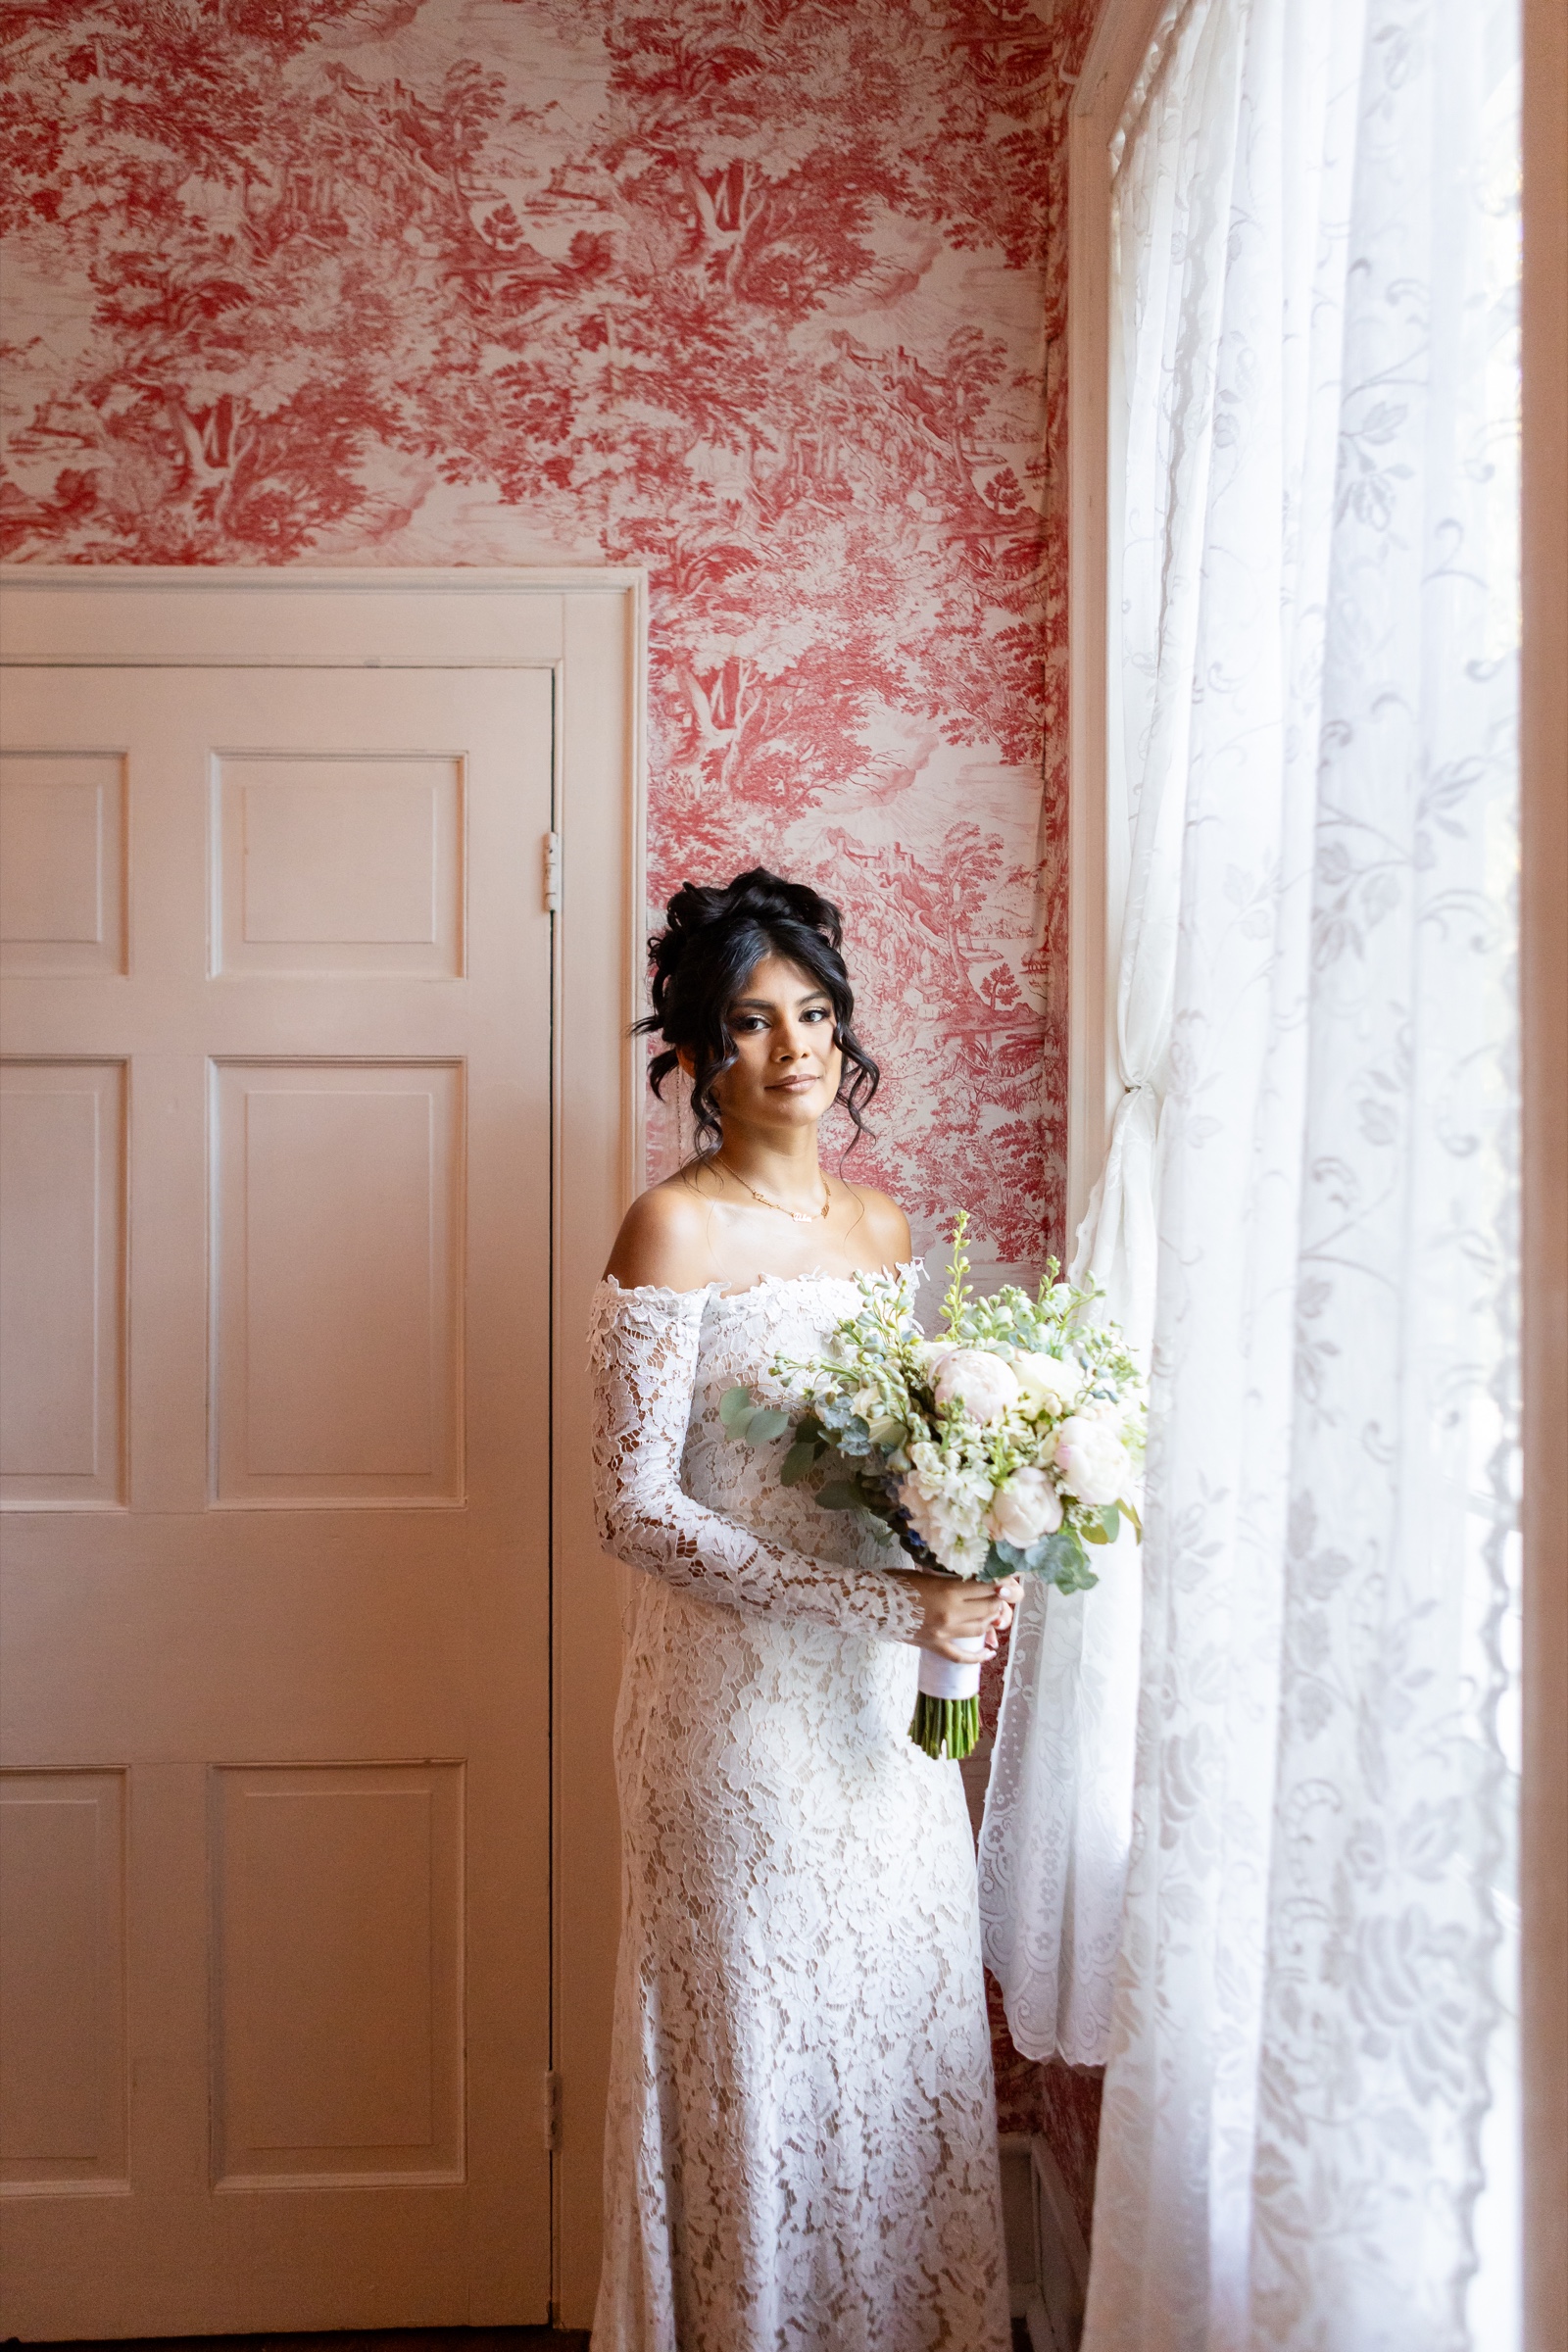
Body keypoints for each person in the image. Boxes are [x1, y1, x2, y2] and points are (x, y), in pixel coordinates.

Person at [588, 867, 1019, 2351]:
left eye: (816, 1015)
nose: (795, 1051)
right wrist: (877, 1600)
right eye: (753, 1023)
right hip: (730, 1722)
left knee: (886, 2029)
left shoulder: (883, 1233)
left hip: (879, 1713)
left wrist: (966, 1564)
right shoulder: (671, 1230)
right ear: (699, 1057)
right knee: (757, 2042)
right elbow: (630, 1507)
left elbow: (896, 1465)